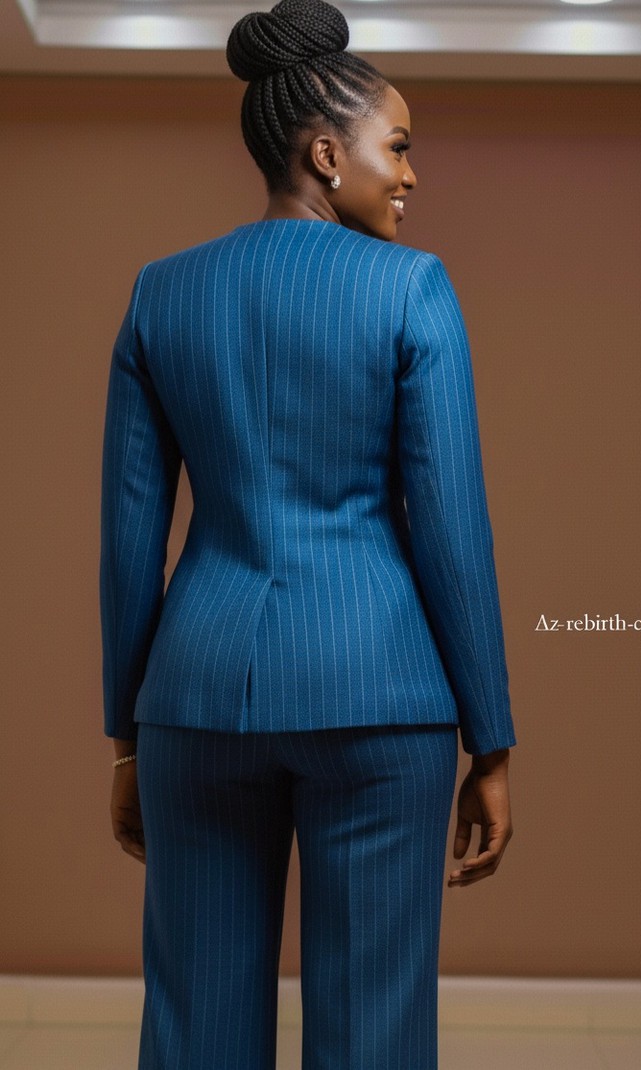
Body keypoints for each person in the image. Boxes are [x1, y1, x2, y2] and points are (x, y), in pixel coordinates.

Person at [101, 1, 517, 1066]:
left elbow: (130, 537)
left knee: (193, 1026)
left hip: (197, 698)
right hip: (380, 695)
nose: (412, 174)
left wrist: (127, 734)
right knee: (374, 1029)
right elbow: (452, 530)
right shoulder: (412, 287)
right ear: (327, 155)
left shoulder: (161, 292)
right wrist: (491, 739)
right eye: (399, 146)